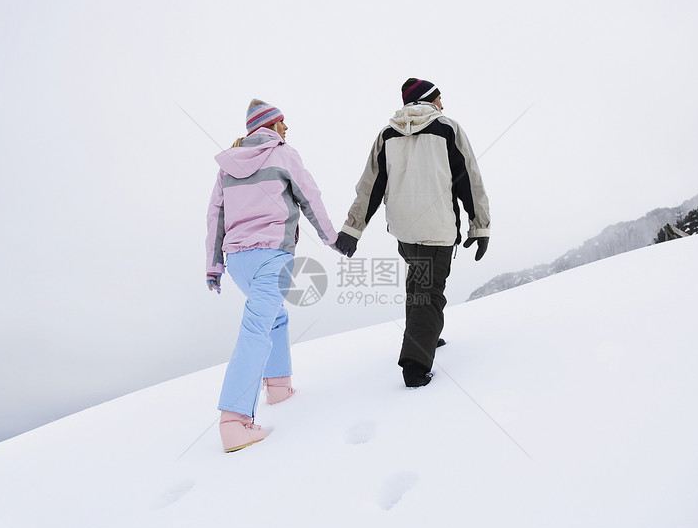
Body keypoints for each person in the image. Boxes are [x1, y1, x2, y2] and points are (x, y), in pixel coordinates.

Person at [335, 78, 491, 388]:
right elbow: (468, 180)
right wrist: (480, 225)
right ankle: (415, 366)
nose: (442, 105)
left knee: (419, 283)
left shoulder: (387, 134)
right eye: (439, 98)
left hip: (404, 229)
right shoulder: (448, 128)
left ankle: (426, 334)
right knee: (428, 294)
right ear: (428, 99)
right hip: (437, 226)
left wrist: (352, 228)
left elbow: (371, 185)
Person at [206, 99, 339, 452]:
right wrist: (332, 238)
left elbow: (215, 218)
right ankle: (234, 420)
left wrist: (213, 266)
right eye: (283, 123)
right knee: (256, 330)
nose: (287, 129)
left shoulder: (227, 166)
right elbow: (310, 198)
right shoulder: (284, 154)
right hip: (272, 256)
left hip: (238, 262)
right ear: (273, 125)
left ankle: (278, 387)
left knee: (275, 317)